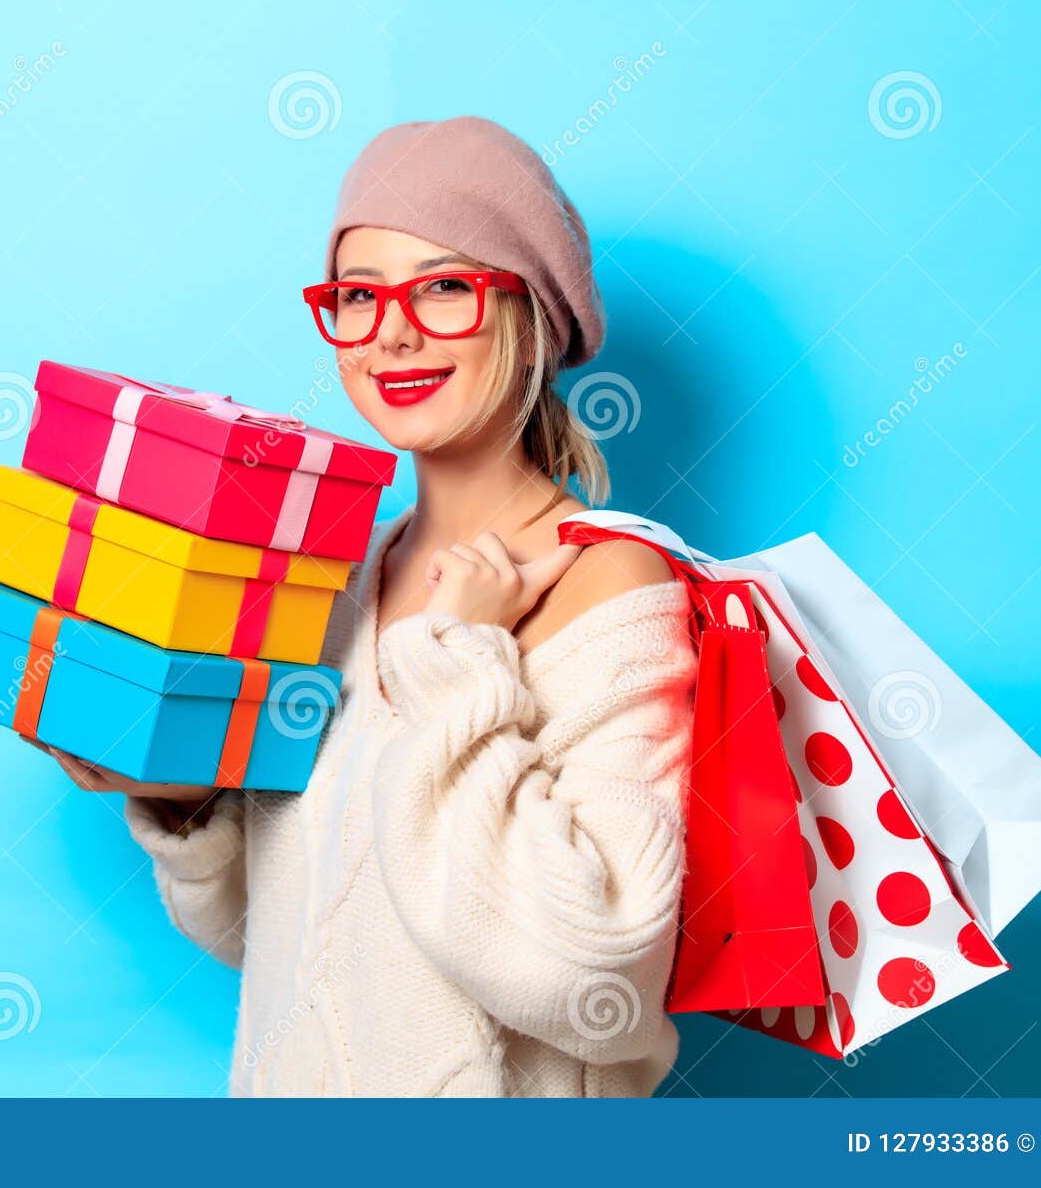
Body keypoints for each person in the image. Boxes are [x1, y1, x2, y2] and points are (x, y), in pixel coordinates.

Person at [41, 116, 699, 1096]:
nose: (391, 330)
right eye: (358, 294)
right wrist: (186, 803)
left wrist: (460, 659)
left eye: (443, 287)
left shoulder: (608, 583)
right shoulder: (331, 583)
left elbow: (593, 968)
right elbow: (282, 939)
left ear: (533, 316)